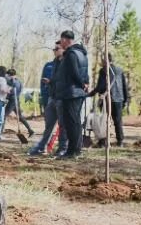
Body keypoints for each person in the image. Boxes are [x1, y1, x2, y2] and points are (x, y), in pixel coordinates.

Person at [54, 30, 89, 159]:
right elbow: (84, 72)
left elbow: (74, 72)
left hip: (71, 92)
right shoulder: (82, 53)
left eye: (61, 40)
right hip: (77, 92)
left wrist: (81, 84)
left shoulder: (70, 54)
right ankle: (77, 149)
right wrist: (85, 83)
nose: (60, 43)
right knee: (76, 122)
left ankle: (71, 151)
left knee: (71, 123)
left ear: (66, 40)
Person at [30, 46, 64, 156]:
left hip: (62, 98)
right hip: (51, 97)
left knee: (63, 126)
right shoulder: (50, 65)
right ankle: (42, 147)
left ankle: (62, 149)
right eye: (54, 49)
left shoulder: (67, 63)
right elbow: (43, 82)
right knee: (49, 125)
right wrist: (44, 96)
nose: (55, 50)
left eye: (57, 48)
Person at [88, 54, 128, 146]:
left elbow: (101, 86)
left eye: (102, 60)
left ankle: (103, 142)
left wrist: (91, 94)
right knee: (118, 121)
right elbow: (124, 86)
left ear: (105, 60)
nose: (101, 62)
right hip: (119, 99)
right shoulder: (119, 70)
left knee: (105, 121)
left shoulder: (103, 71)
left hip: (107, 99)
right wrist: (125, 99)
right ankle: (120, 141)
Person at [6, 69, 35, 138]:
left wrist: (7, 96)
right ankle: (30, 130)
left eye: (7, 75)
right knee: (20, 117)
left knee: (3, 116)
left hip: (12, 101)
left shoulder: (12, 82)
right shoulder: (19, 81)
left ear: (10, 75)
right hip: (16, 100)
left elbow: (11, 91)